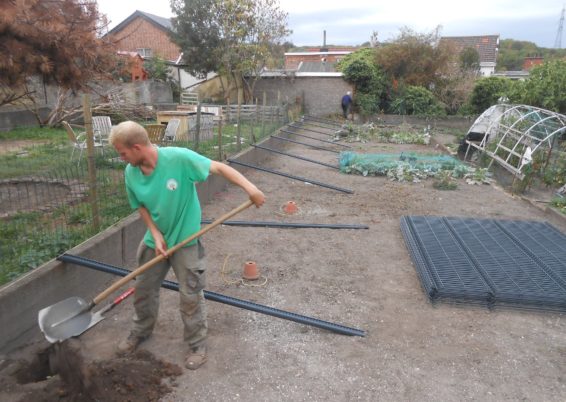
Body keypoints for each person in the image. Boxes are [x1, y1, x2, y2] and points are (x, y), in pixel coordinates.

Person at [109, 121, 265, 370]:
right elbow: (140, 205)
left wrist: (251, 188)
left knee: (190, 294)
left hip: (185, 240)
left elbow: (219, 168)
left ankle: (196, 344)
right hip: (155, 239)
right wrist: (155, 233)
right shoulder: (131, 172)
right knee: (143, 289)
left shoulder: (178, 159)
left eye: (122, 152)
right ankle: (140, 331)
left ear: (136, 147)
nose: (121, 157)